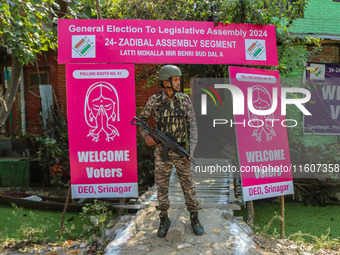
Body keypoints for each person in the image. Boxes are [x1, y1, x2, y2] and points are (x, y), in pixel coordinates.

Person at [139, 65, 204, 238]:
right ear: (166, 82)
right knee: (161, 186)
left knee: (188, 185)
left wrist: (192, 150)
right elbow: (141, 120)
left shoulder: (184, 100)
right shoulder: (155, 101)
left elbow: (193, 126)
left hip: (182, 149)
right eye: (175, 79)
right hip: (162, 151)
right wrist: (146, 136)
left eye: (179, 79)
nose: (178, 82)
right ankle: (164, 218)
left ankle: (194, 217)